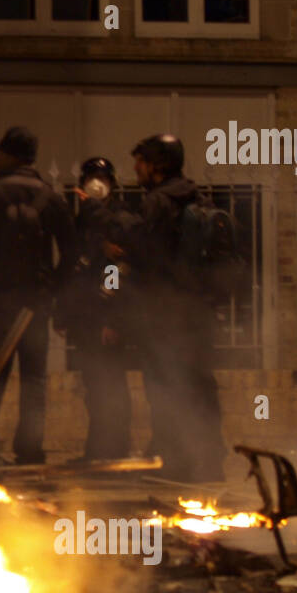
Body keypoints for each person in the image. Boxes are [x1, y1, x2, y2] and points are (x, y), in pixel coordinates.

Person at [0, 127, 77, 468]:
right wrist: (54, 287)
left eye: (1, 153)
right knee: (34, 379)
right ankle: (29, 452)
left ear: (13, 155)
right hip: (36, 303)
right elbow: (71, 251)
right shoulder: (49, 195)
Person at [126, 134, 227, 482]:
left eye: (141, 161)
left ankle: (177, 462)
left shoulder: (157, 202)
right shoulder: (196, 196)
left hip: (165, 313)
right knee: (200, 384)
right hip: (197, 310)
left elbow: (145, 257)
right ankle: (212, 461)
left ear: (158, 165)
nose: (136, 168)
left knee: (165, 386)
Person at [59, 157, 138, 460]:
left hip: (107, 317)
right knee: (94, 387)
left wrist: (114, 320)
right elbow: (75, 267)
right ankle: (97, 449)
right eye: (91, 177)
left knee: (112, 385)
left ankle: (116, 448)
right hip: (85, 316)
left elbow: (121, 271)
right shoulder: (83, 219)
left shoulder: (118, 217)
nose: (97, 183)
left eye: (102, 177)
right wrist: (65, 312)